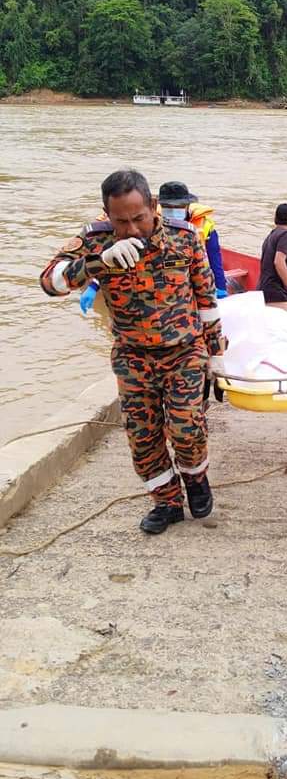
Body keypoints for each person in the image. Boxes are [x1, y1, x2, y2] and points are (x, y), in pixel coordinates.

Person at [41, 169, 225, 535]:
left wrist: (217, 353)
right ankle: (167, 501)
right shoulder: (97, 239)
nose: (132, 228)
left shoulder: (184, 238)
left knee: (187, 428)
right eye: (121, 221)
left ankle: (195, 479)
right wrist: (99, 261)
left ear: (153, 206)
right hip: (133, 357)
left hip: (184, 352)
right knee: (143, 439)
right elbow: (51, 281)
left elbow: (206, 298)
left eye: (139, 218)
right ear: (107, 214)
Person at [79, 181, 228, 313]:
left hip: (188, 274)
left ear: (187, 206)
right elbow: (119, 261)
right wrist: (94, 285)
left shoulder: (202, 228)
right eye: (168, 207)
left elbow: (215, 260)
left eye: (178, 207)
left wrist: (221, 289)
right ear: (159, 206)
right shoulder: (148, 226)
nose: (173, 211)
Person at [257, 203, 287, 315]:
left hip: (262, 290)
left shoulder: (272, 235)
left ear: (275, 219)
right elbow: (279, 261)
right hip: (276, 292)